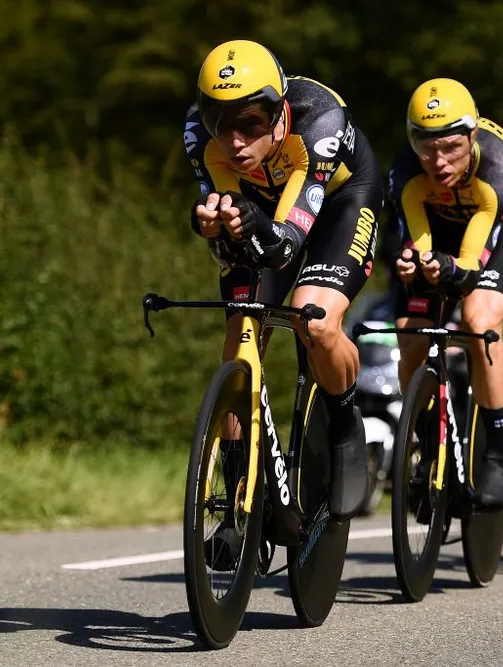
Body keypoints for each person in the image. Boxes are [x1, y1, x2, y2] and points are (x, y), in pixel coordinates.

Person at [186, 39, 383, 532]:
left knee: (314, 320)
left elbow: (286, 244)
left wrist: (250, 225)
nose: (235, 141)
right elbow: (231, 237)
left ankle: (344, 423)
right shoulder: (197, 135)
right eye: (219, 122)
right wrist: (215, 227)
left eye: (251, 123)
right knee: (240, 335)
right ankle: (237, 502)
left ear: (278, 114)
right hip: (264, 210)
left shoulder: (320, 120)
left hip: (338, 201)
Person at [386, 77, 503, 509]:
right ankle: (428, 446)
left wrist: (449, 269)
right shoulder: (406, 172)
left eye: (451, 147)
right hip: (439, 226)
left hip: (497, 230)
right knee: (411, 337)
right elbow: (416, 241)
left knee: (479, 321)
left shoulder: (499, 167)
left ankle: (497, 456)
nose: (438, 161)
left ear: (472, 136)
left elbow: (470, 266)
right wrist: (414, 263)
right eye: (426, 147)